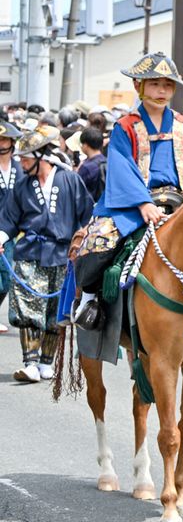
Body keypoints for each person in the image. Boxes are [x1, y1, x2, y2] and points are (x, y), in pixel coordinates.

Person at [73, 53, 183, 330]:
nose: (162, 91)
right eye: (155, 84)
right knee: (96, 242)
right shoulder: (125, 127)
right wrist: (143, 203)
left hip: (182, 204)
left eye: (168, 85)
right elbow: (121, 167)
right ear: (139, 85)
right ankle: (90, 299)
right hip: (130, 206)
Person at [0, 126, 94, 382]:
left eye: (27, 158)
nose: (22, 162)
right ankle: (29, 363)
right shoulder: (22, 186)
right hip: (30, 252)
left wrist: (85, 238)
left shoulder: (70, 180)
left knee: (56, 312)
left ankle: (45, 362)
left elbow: (87, 214)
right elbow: (8, 220)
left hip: (63, 254)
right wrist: (1, 237)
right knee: (28, 308)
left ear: (41, 156)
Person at [0, 121, 22, 333]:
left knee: (6, 278)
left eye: (4, 139)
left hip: (10, 231)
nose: (1, 144)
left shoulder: (20, 167)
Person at [75, 126, 107, 202]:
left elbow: (76, 189)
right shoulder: (107, 161)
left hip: (91, 208)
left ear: (86, 145)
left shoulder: (87, 167)